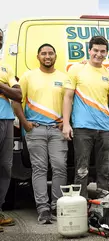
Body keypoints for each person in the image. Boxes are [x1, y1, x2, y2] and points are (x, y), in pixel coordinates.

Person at [62, 36, 109, 199]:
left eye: (102, 51)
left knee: (104, 171)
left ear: (107, 53)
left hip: (104, 130)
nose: (99, 54)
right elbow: (68, 97)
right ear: (89, 51)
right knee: (81, 171)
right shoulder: (76, 69)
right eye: (95, 50)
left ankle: (104, 207)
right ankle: (82, 206)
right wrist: (66, 124)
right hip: (82, 129)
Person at [13, 43, 68, 224]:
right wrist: (26, 124)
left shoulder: (63, 77)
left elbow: (69, 102)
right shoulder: (28, 76)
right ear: (38, 57)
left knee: (60, 167)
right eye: (43, 53)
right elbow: (16, 102)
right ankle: (43, 209)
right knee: (40, 169)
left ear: (55, 56)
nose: (47, 56)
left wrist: (66, 123)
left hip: (56, 130)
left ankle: (56, 206)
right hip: (35, 130)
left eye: (50, 53)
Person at [0, 64, 22, 232]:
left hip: (6, 119)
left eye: (0, 37)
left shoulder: (5, 69)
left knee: (5, 167)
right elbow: (11, 92)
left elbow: (18, 95)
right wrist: (6, 88)